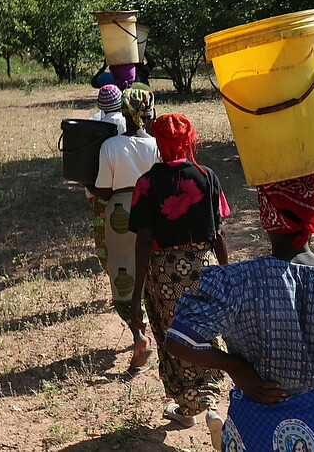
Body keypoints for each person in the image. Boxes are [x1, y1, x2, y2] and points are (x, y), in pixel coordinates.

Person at [166, 174, 314, 452]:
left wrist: (237, 367)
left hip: (254, 428)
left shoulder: (235, 282)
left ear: (266, 218)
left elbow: (178, 340)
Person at [125, 114, 231, 442]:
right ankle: (212, 406)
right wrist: (226, 273)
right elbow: (218, 233)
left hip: (166, 272)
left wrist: (137, 290)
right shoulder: (206, 176)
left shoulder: (146, 183)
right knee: (208, 331)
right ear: (189, 140)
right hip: (205, 264)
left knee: (177, 338)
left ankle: (188, 409)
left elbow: (143, 240)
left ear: (158, 143)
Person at [90, 87, 159, 370]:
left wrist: (88, 186)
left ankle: (138, 334)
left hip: (121, 213)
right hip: (153, 211)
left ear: (124, 113)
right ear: (148, 114)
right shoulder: (156, 145)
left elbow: (104, 192)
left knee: (122, 271)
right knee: (151, 268)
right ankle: (158, 327)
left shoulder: (111, 146)